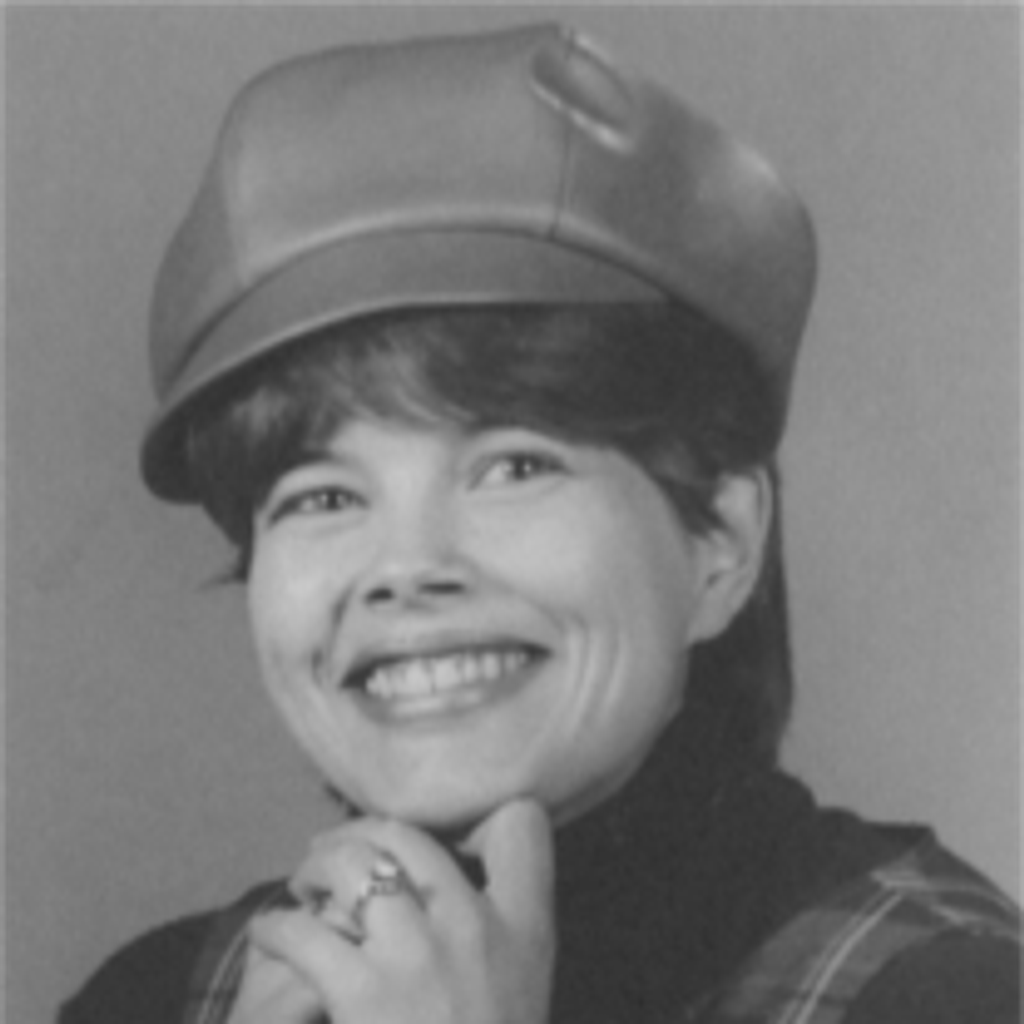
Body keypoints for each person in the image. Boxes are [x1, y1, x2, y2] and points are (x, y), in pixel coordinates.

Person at [59, 22, 1024, 1024]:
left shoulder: (948, 996)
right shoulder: (152, 1001)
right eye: (323, 496)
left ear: (721, 543)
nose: (406, 565)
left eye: (513, 467)